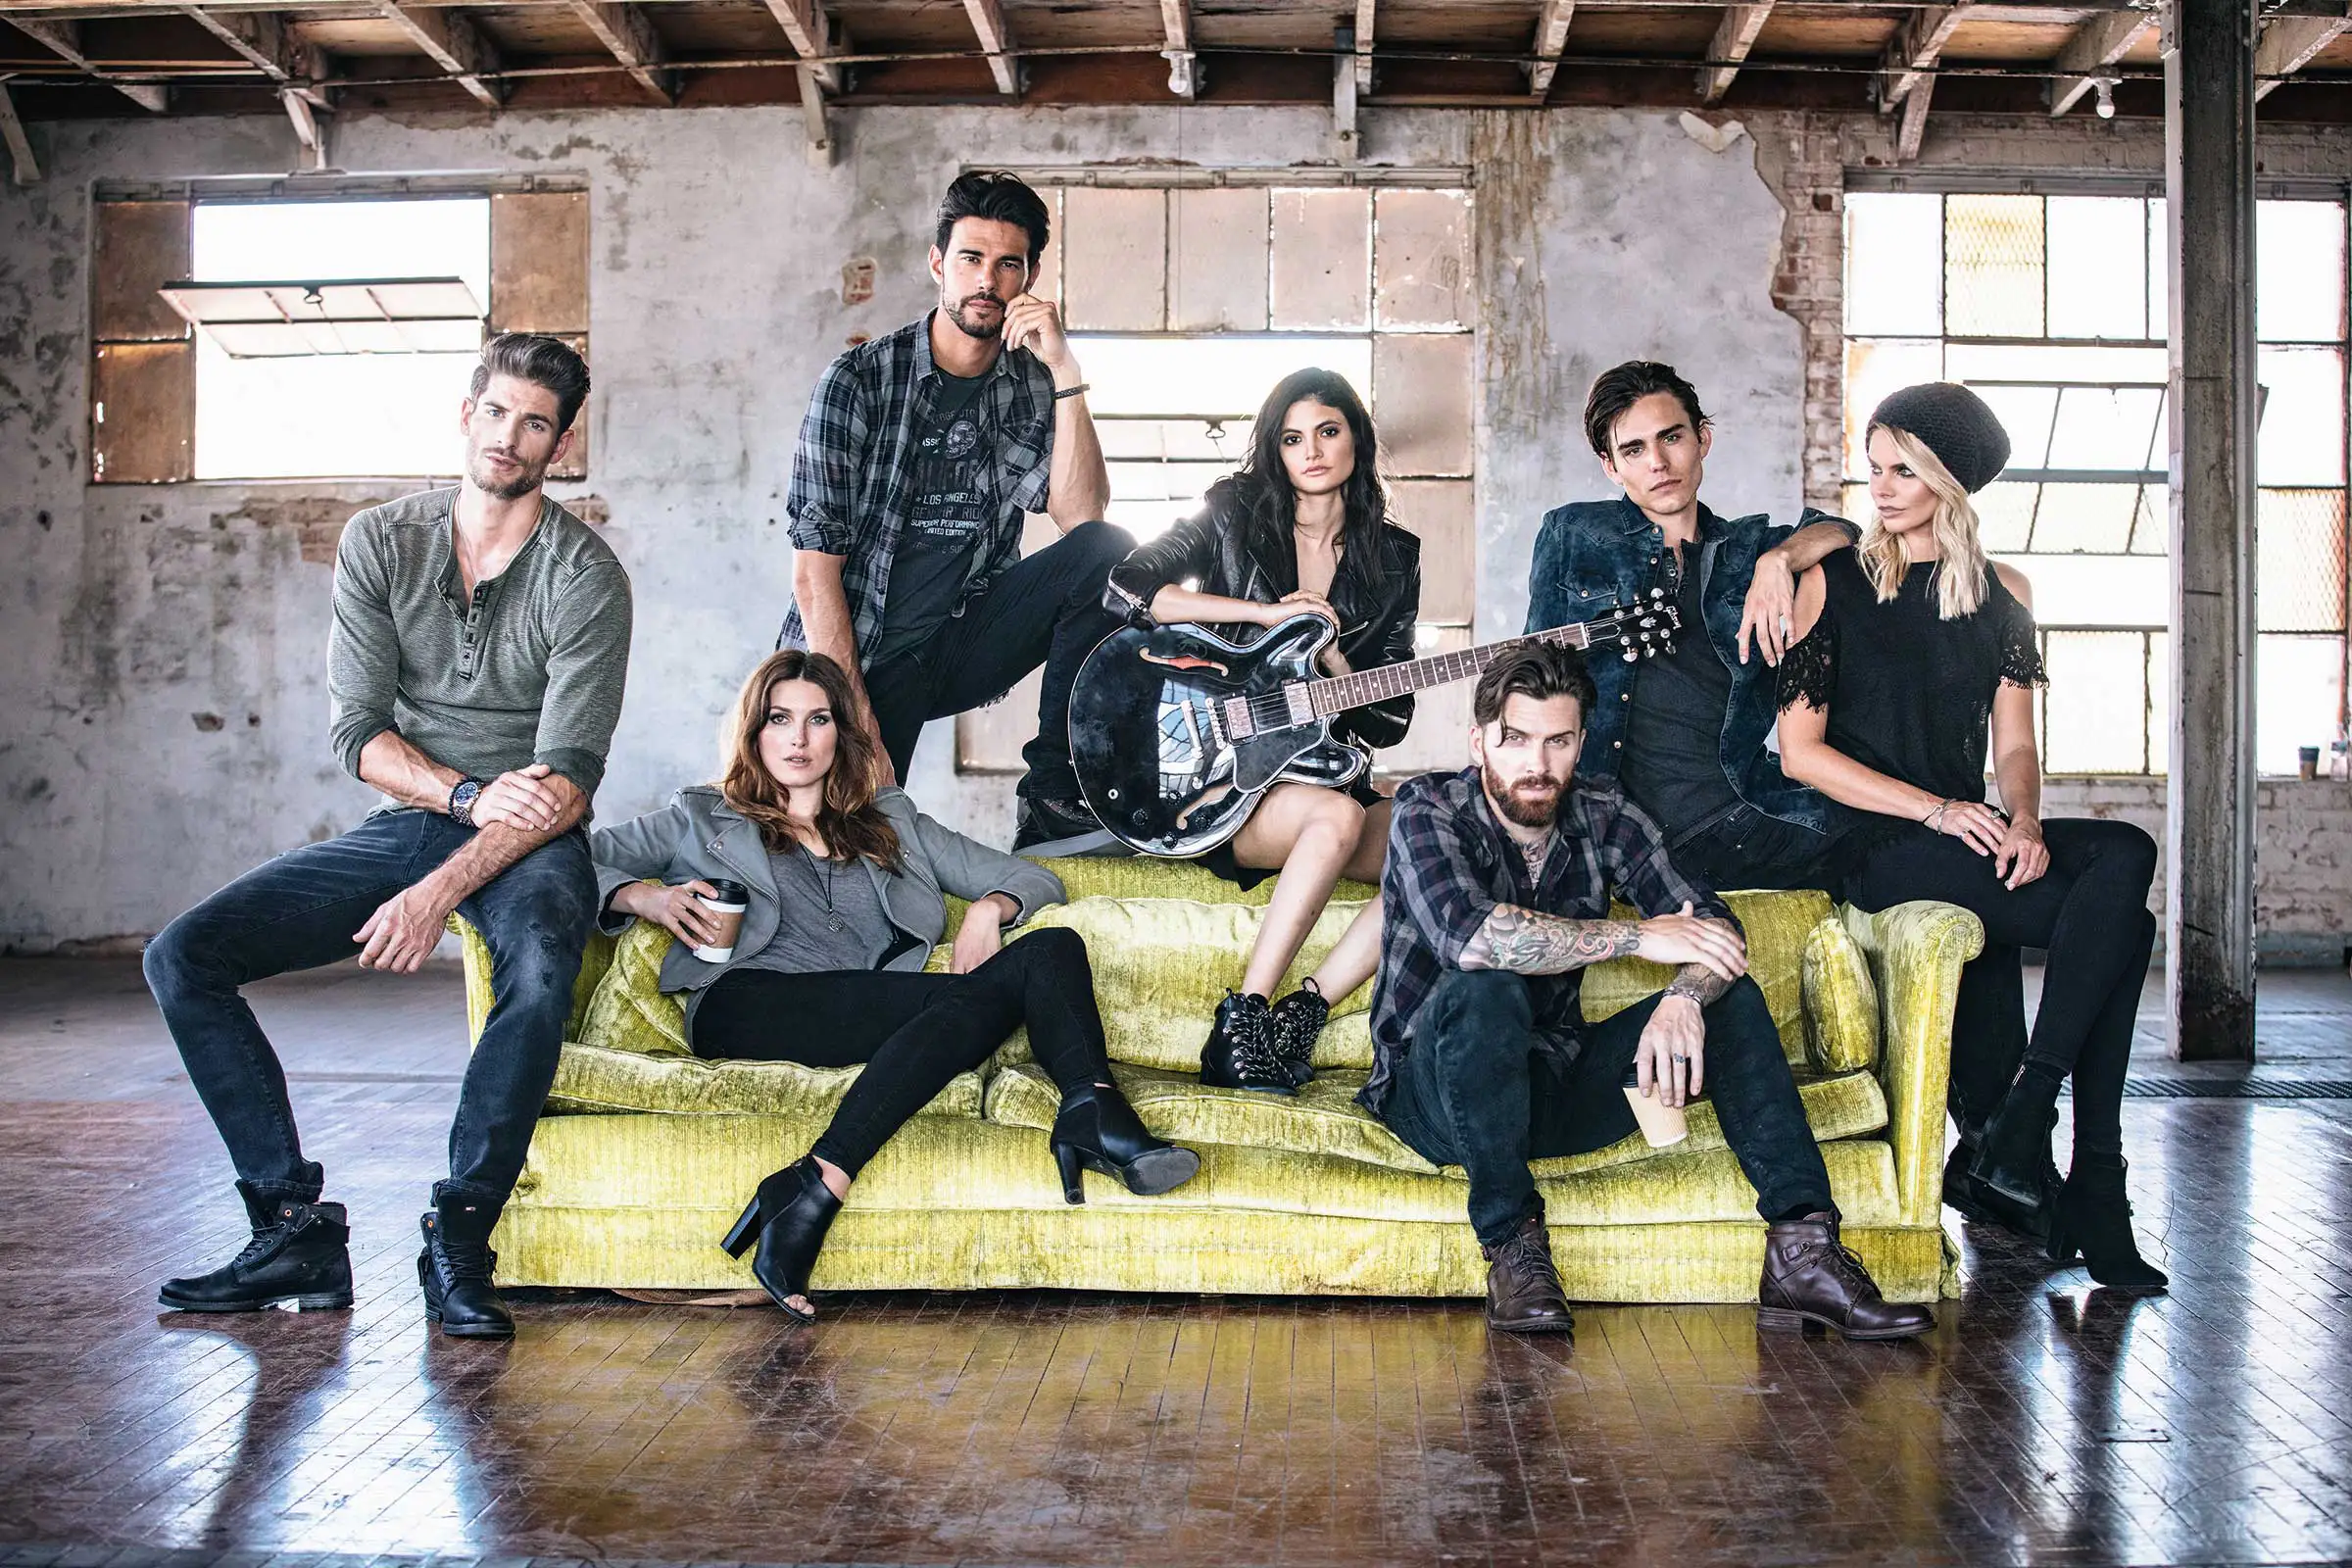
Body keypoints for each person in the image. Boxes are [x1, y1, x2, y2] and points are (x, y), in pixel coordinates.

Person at [144, 334, 630, 1340]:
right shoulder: (380, 541)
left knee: (541, 973)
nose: (510, 435)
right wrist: (455, 803)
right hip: (423, 812)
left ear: (562, 440)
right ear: (467, 415)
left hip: (535, 838)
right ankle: (291, 1226)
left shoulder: (584, 573)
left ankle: (459, 1233)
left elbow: (567, 781)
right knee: (184, 956)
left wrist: (442, 888)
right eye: (496, 413)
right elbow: (358, 733)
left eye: (535, 422)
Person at [1529, 361, 2048, 1246]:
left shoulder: (1755, 551)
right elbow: (1538, 678)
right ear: (1609, 468)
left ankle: (2000, 1150)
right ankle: (2002, 1158)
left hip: (1740, 815)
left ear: (1703, 439)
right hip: (1615, 817)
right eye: (1632, 451)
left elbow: (1846, 528)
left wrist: (1779, 555)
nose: (1657, 463)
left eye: (1672, 437)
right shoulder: (1573, 537)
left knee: (1963, 875)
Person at [590, 650, 1200, 1319]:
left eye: (817, 720)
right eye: (779, 719)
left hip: (864, 1005)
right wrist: (640, 897)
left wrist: (991, 911)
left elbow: (1036, 879)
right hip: (747, 1001)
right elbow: (575, 857)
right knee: (993, 997)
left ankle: (1080, 1107)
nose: (797, 739)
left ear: (841, 733)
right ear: (753, 731)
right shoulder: (700, 818)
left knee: (1051, 947)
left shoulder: (892, 824)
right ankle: (1089, 1123)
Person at [1364, 642, 1933, 1341]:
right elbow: (1468, 937)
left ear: (1581, 742)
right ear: (1479, 738)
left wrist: (1684, 999)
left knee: (1734, 999)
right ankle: (1514, 1251)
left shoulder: (1605, 812)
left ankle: (1802, 1254)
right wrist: (1637, 938)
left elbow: (1715, 928)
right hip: (1435, 1095)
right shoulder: (1429, 808)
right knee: (1487, 991)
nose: (1537, 764)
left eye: (1559, 741)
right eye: (1515, 740)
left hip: (1552, 1084)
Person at [1775, 381, 2166, 1297]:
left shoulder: (2007, 594)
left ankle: (2033, 1133)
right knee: (2127, 924)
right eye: (1873, 468)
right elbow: (1801, 754)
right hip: (1879, 845)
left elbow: (2017, 743)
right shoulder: (1831, 583)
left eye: (1904, 469)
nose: (1882, 486)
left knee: (2128, 860)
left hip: (1972, 837)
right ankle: (2082, 1177)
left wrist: (2022, 816)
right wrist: (1939, 810)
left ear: (1952, 480)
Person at [780, 170, 1126, 853]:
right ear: (938, 262)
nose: (986, 282)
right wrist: (855, 724)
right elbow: (814, 574)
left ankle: (1053, 794)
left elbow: (1083, 518)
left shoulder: (1029, 385)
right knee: (846, 849)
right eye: (971, 259)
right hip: (859, 657)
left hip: (961, 638)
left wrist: (1064, 372)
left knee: (1107, 551)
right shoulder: (857, 383)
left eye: (1008, 265)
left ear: (1028, 278)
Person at [1102, 369, 1414, 1095]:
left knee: (1436, 831)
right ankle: (1241, 1019)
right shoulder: (1231, 512)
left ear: (1357, 440)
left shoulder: (1395, 558)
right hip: (1224, 782)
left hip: (1322, 772)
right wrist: (1270, 620)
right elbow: (1128, 587)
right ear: (1274, 450)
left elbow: (1388, 721)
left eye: (1328, 432)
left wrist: (1329, 653)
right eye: (1292, 437)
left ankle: (1302, 1012)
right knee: (1336, 815)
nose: (1311, 451)